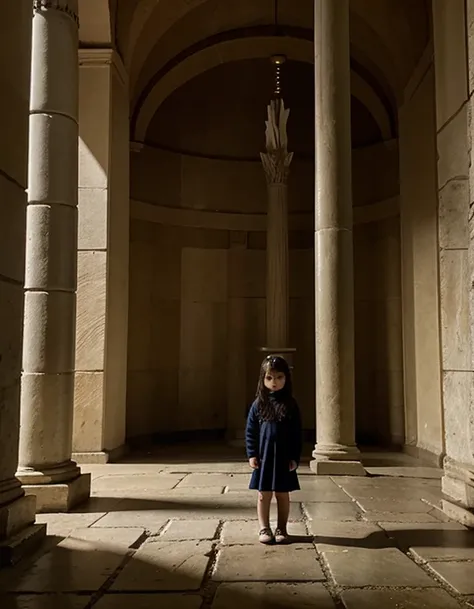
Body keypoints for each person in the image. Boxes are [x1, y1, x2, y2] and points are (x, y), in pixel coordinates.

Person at [245, 354, 302, 544]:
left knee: (283, 494)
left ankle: (282, 528)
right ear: (263, 379)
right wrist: (252, 453)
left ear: (286, 378)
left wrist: (294, 457)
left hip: (284, 458)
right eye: (269, 378)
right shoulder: (258, 404)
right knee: (263, 494)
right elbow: (251, 431)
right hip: (264, 457)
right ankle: (264, 527)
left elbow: (296, 434)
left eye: (279, 377)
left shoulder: (290, 405)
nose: (274, 382)